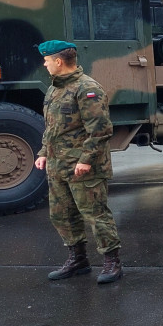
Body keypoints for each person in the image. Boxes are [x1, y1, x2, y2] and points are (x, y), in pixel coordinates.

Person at [33, 40, 123, 284]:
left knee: (95, 214)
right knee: (62, 215)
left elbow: (101, 130)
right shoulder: (54, 89)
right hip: (58, 165)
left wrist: (86, 160)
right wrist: (42, 152)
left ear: (59, 61)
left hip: (84, 167)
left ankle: (112, 262)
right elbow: (51, 128)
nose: (44, 63)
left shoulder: (87, 89)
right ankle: (78, 260)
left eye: (47, 59)